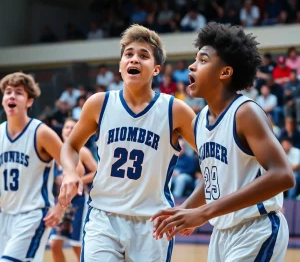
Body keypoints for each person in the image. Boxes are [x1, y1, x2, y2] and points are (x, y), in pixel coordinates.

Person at [151, 22, 295, 261]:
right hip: (222, 232)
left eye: (203, 60)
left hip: (255, 229)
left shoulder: (245, 113)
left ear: (225, 72)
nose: (192, 65)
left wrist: (204, 212)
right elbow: (212, 179)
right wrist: (185, 209)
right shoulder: (199, 122)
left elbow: (283, 175)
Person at [58, 24, 196, 262]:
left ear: (156, 69)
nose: (134, 59)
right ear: (121, 65)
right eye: (128, 54)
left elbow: (213, 156)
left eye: (143, 55)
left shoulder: (175, 110)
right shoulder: (98, 104)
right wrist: (70, 172)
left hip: (153, 221)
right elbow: (70, 146)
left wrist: (194, 206)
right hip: (104, 216)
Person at [0, 72, 65, 262]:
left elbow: (73, 167)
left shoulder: (41, 133)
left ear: (29, 101)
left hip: (33, 215)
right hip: (5, 213)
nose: (11, 96)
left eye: (18, 92)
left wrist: (61, 207)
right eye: (8, 92)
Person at [50, 118, 97, 262]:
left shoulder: (82, 151)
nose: (69, 130)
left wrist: (78, 180)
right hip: (62, 202)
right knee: (55, 243)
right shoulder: (55, 151)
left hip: (79, 202)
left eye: (72, 127)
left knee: (77, 246)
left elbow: (97, 172)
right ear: (62, 131)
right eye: (66, 127)